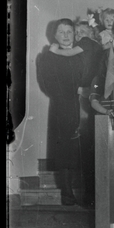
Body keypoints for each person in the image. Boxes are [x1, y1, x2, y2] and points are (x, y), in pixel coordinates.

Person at [36, 18, 94, 206]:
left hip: (87, 105)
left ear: (75, 33)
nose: (66, 35)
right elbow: (48, 86)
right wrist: (74, 91)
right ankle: (67, 193)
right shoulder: (47, 57)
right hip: (63, 106)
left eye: (69, 31)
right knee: (65, 149)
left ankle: (90, 194)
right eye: (61, 32)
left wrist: (86, 91)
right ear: (54, 35)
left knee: (88, 147)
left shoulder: (83, 52)